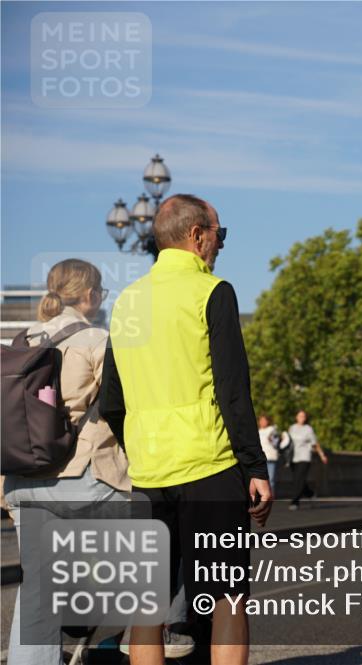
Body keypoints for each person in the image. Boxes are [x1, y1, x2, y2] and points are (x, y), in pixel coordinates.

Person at [99, 194, 272, 665]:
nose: (221, 244)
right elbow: (233, 390)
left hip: (148, 473)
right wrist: (255, 468)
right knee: (227, 596)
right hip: (209, 466)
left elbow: (111, 400)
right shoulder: (213, 292)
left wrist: (142, 444)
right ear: (197, 236)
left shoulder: (127, 301)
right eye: (220, 234)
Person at [3, 260, 146, 664]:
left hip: (23, 482)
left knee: (38, 590)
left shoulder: (19, 342)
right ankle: (134, 641)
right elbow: (125, 408)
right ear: (90, 295)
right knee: (160, 543)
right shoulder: (99, 339)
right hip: (85, 478)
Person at [287, 410, 328, 509]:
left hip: (305, 456)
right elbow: (287, 442)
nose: (302, 418)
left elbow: (315, 443)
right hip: (293, 457)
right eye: (300, 416)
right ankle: (310, 493)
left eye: (303, 416)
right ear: (296, 417)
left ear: (306, 418)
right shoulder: (292, 428)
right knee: (297, 480)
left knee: (299, 479)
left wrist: (322, 455)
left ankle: (295, 502)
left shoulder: (308, 429)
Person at [258, 414, 289, 492]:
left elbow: (277, 442)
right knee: (261, 480)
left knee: (270, 479)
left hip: (270, 458)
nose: (262, 422)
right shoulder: (257, 431)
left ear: (268, 421)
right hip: (260, 459)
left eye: (264, 420)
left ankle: (270, 496)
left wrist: (272, 439)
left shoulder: (272, 430)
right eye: (261, 420)